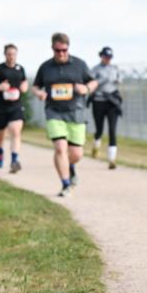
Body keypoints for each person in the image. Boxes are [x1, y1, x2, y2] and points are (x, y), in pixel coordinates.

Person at [32, 33, 98, 197]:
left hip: (76, 112)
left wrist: (86, 88)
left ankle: (71, 166)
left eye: (64, 50)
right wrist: (39, 93)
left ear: (68, 48)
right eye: (57, 50)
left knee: (76, 154)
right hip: (54, 111)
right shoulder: (45, 67)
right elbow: (35, 86)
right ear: (52, 48)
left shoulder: (79, 64)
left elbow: (93, 81)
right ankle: (66, 184)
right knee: (60, 148)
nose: (61, 53)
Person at [0, 43, 29, 172]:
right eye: (9, 54)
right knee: (1, 134)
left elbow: (24, 81)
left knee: (16, 131)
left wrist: (25, 86)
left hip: (16, 106)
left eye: (13, 54)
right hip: (0, 107)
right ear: (5, 55)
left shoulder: (20, 69)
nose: (11, 57)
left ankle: (14, 160)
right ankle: (0, 150)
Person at [90, 46, 123, 169]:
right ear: (101, 56)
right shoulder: (95, 69)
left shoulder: (115, 68)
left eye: (109, 57)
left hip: (112, 102)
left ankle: (111, 159)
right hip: (99, 101)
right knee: (99, 129)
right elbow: (91, 83)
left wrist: (117, 80)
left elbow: (119, 79)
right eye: (105, 57)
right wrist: (102, 80)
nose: (108, 59)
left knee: (112, 130)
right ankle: (96, 146)